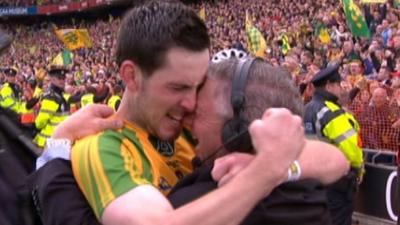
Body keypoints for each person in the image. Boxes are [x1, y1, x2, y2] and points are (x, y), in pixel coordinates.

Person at [304, 63, 364, 225]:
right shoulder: (332, 112)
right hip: (337, 180)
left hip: (312, 179)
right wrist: (358, 169)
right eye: (338, 85)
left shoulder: (307, 108)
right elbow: (351, 149)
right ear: (329, 86)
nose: (340, 89)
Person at [33, 66, 71, 148]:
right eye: (59, 78)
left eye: (64, 78)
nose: (62, 80)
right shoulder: (52, 97)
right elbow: (40, 122)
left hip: (59, 141)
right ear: (52, 79)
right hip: (50, 142)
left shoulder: (61, 95)